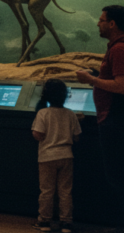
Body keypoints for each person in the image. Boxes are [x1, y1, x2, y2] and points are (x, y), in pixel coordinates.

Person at [75, 5, 124, 233]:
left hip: (117, 122)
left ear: (112, 23)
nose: (97, 23)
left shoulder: (120, 50)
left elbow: (122, 86)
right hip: (121, 120)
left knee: (120, 177)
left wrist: (90, 80)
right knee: (123, 174)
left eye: (101, 20)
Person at [31, 79, 82, 233]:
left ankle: (44, 221)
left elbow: (38, 134)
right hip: (66, 156)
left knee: (47, 190)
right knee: (65, 190)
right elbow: (77, 137)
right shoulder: (70, 114)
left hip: (47, 157)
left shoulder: (43, 113)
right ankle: (66, 222)